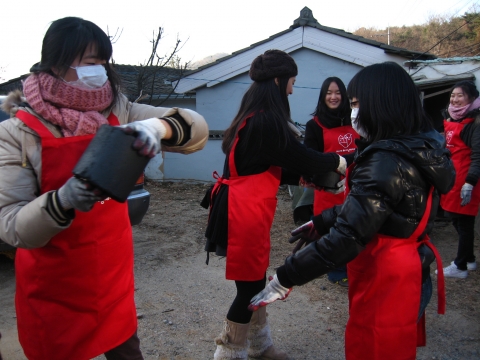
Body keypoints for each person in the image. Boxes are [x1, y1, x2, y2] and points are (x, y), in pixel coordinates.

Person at [0, 17, 208, 360]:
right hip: (54, 289)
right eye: (90, 62)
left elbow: (196, 129)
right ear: (56, 63)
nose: (100, 71)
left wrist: (159, 127)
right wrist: (61, 201)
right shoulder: (19, 133)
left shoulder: (119, 109)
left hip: (111, 280)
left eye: (103, 62)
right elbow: (10, 225)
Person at [249, 61, 456, 360]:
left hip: (385, 273)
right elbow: (381, 209)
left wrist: (285, 276)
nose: (352, 112)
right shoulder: (419, 147)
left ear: (380, 104)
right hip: (410, 266)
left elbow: (347, 237)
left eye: (356, 104)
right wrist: (322, 220)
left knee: (376, 347)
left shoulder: (385, 161)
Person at [202, 50, 347, 360]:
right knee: (248, 288)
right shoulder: (267, 120)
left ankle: (259, 345)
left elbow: (268, 165)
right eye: (292, 82)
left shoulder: (254, 115)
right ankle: (228, 353)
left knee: (255, 280)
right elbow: (300, 156)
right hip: (243, 211)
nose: (293, 90)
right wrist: (337, 161)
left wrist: (302, 177)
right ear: (279, 81)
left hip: (246, 205)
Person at [303, 76, 359, 287]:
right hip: (329, 189)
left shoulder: (355, 120)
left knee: (355, 228)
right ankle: (336, 272)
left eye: (337, 93)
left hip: (355, 186)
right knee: (331, 231)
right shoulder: (314, 125)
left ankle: (354, 267)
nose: (334, 97)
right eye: (329, 93)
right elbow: (310, 159)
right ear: (322, 96)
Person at [438, 80, 480, 278]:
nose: (455, 99)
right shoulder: (451, 118)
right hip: (452, 178)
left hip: (466, 180)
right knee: (456, 219)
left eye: (460, 95)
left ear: (471, 98)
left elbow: (478, 155)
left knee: (464, 223)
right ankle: (470, 259)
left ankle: (460, 266)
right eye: (453, 95)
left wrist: (470, 182)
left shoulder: (476, 124)